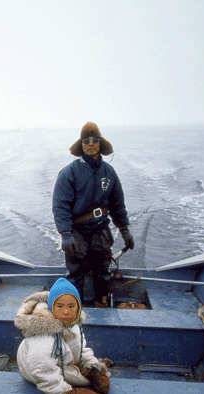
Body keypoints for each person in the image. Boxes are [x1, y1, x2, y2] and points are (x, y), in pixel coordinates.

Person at [52, 122, 134, 307]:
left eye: (94, 140)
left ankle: (101, 305)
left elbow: (118, 204)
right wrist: (65, 233)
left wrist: (125, 230)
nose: (90, 144)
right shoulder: (69, 173)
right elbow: (60, 206)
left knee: (103, 271)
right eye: (86, 140)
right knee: (75, 274)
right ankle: (76, 311)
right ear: (81, 144)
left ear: (100, 144)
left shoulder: (110, 172)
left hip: (101, 230)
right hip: (76, 232)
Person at [15, 277, 110, 394]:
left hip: (61, 362)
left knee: (88, 372)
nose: (66, 312)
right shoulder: (43, 337)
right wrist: (66, 392)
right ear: (51, 307)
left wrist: (92, 364)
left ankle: (90, 371)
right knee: (58, 376)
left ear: (78, 308)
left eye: (71, 306)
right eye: (60, 306)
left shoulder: (72, 323)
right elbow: (41, 370)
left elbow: (80, 348)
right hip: (36, 370)